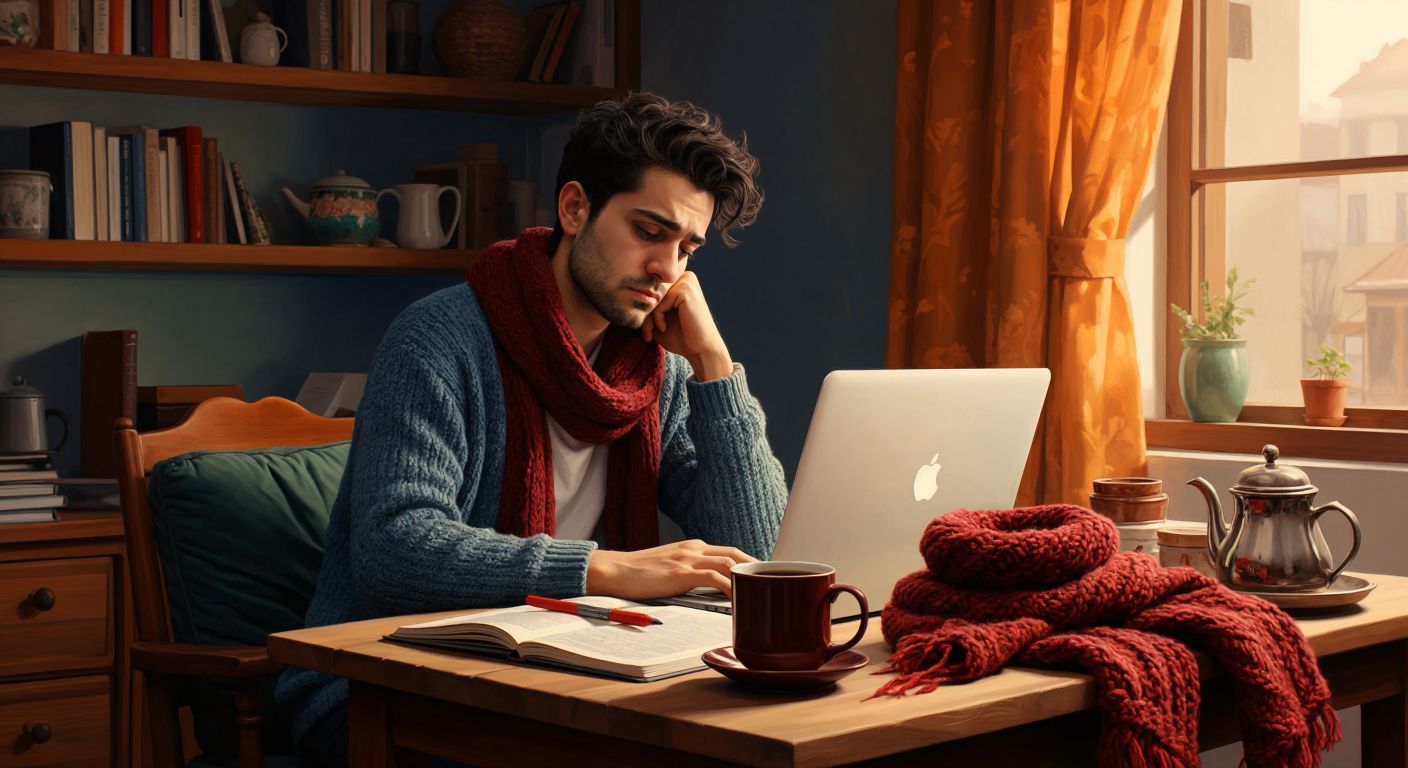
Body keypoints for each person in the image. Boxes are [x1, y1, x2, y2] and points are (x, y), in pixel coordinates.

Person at [275, 92, 789, 767]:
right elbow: (395, 550)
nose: (668, 270)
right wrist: (602, 570)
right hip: (379, 683)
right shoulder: (438, 341)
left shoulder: (655, 370)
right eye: (648, 230)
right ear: (575, 208)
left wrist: (715, 370)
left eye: (686, 248)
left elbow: (758, 552)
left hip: (567, 673)